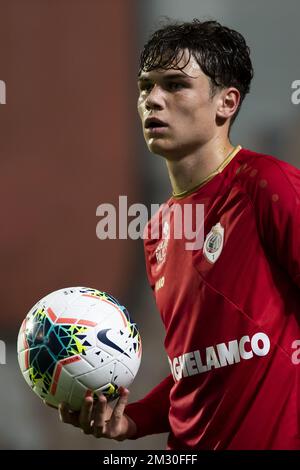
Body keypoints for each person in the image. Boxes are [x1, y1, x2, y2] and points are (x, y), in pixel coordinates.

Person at [58, 19, 300, 449]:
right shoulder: (156, 232)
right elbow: (195, 369)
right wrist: (129, 421)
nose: (152, 100)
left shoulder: (268, 185)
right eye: (145, 86)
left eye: (174, 85)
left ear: (226, 103)